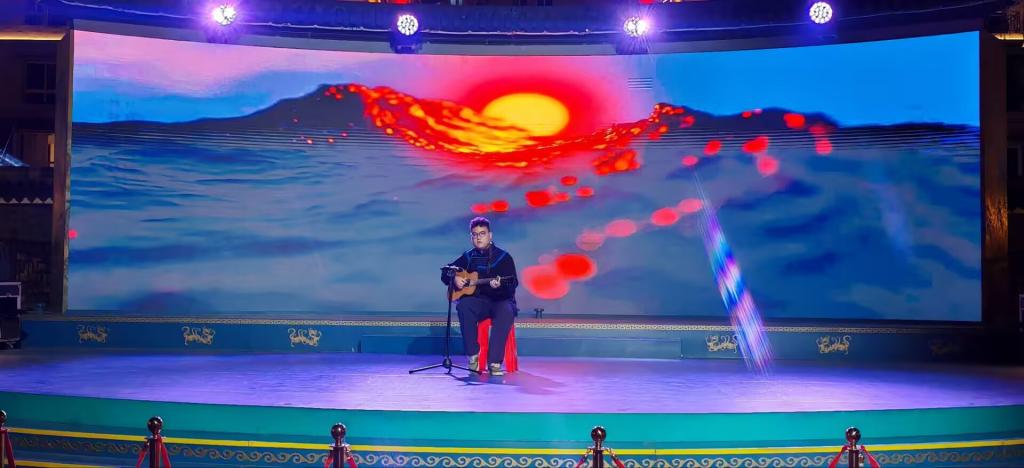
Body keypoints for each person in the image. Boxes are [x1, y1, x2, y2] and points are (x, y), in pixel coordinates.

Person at [440, 217, 518, 376]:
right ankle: (473, 356)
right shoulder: (468, 256)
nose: (478, 237)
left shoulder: (503, 257)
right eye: (475, 234)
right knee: (464, 305)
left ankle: (494, 362)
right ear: (471, 237)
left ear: (490, 235)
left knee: (506, 311)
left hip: (500, 300)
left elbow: (513, 283)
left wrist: (500, 286)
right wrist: (454, 278)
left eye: (482, 233)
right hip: (479, 302)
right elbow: (446, 271)